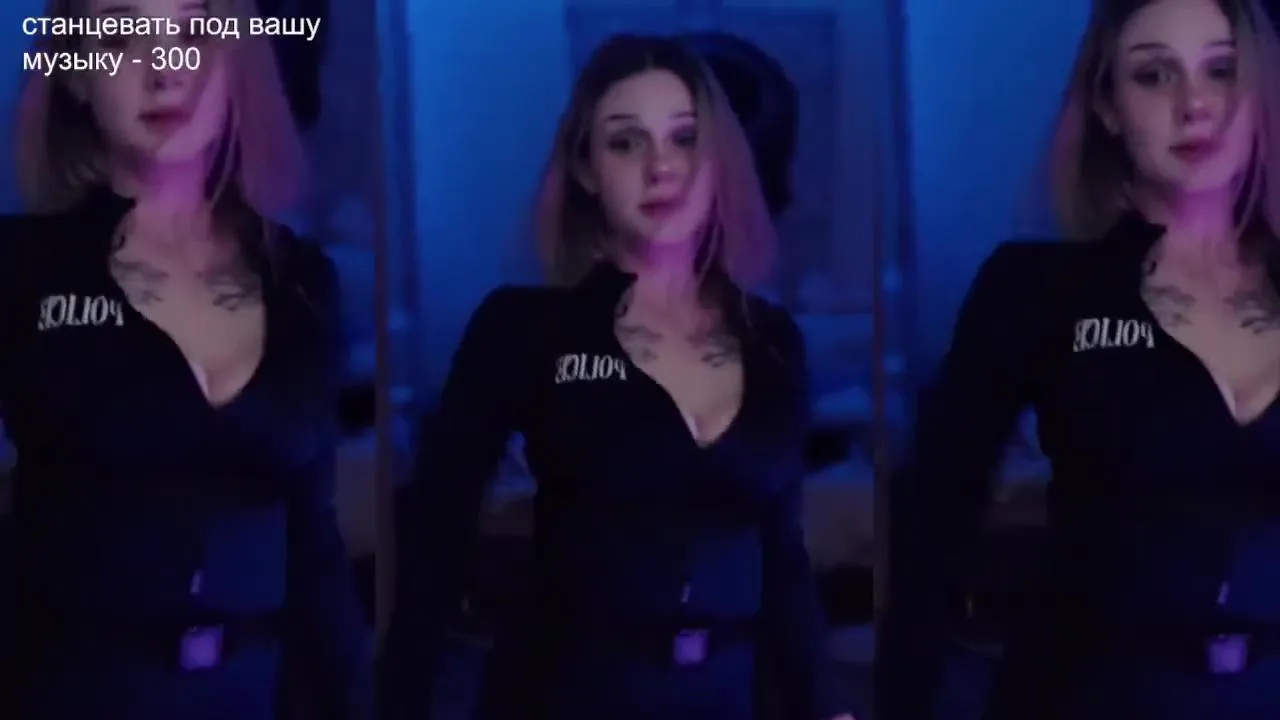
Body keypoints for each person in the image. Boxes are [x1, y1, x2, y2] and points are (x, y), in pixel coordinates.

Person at [381, 34, 853, 720]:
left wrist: (830, 710)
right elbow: (433, 543)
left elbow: (783, 553)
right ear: (586, 168)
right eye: (626, 143)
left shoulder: (772, 340)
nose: (661, 166)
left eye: (685, 139)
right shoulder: (523, 328)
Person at [878, 0, 1280, 717]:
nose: (1195, 103)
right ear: (1108, 107)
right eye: (1153, 75)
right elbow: (932, 528)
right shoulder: (1036, 289)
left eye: (1221, 70)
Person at [3, 0, 372, 717]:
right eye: (121, 34)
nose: (164, 68)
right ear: (74, 74)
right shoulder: (20, 270)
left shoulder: (302, 281)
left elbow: (315, 547)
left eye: (194, 31)